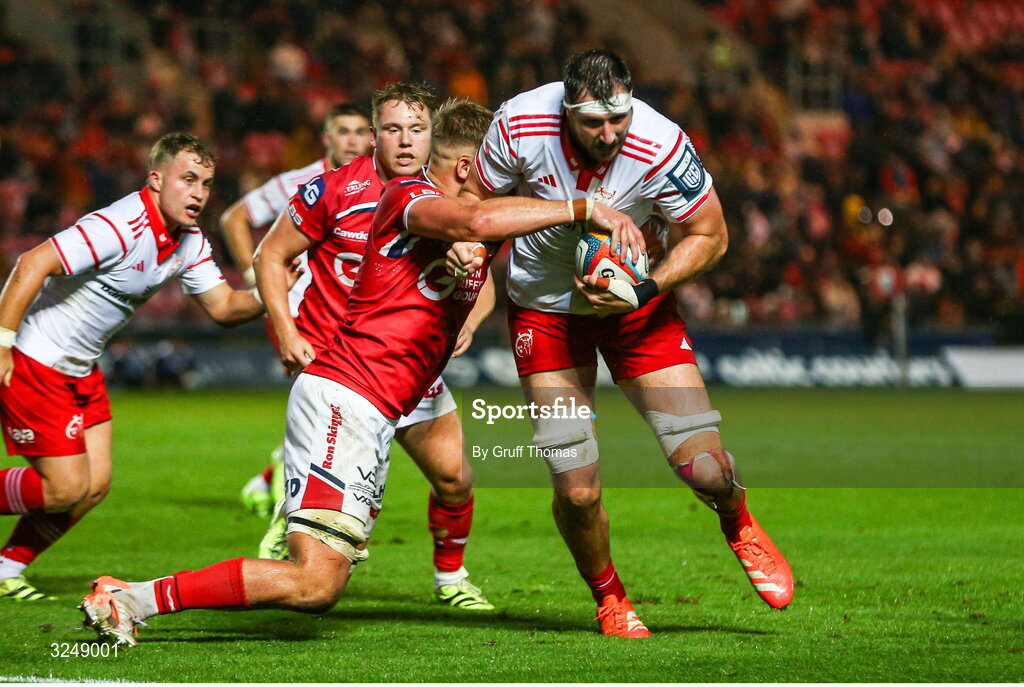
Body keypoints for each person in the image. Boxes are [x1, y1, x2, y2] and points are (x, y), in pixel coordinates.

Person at [77, 98, 641, 647]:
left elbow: (467, 237)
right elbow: (473, 217)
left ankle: (445, 575)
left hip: (375, 405)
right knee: (314, 582)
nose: (509, 182)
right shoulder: (411, 195)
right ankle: (129, 598)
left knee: (354, 556)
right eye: (502, 170)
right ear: (470, 166)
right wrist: (586, 207)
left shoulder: (455, 226)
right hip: (345, 399)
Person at [451, 49, 794, 637]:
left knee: (707, 470)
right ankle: (610, 599)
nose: (609, 134)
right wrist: (482, 246)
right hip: (545, 312)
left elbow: (712, 235)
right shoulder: (518, 124)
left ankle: (736, 520)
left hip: (639, 310)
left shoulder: (661, 142)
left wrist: (647, 286)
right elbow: (469, 209)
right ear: (567, 110)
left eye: (619, 119)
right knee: (578, 489)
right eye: (593, 124)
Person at [0, 133, 286, 601]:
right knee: (64, 489)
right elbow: (32, 263)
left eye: (207, 183)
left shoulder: (188, 241)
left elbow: (223, 307)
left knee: (94, 486)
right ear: (156, 180)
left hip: (81, 369)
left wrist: (272, 288)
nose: (198, 193)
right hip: (36, 357)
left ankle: (6, 568)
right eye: (188, 179)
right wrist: (3, 343)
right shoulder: (118, 225)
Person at [251, 83, 499, 609]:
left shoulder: (445, 198)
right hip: (340, 362)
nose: (405, 141)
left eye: (417, 130)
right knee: (352, 513)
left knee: (454, 477)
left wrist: (469, 319)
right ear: (373, 135)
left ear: (433, 136)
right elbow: (270, 256)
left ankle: (450, 580)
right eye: (392, 130)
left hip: (409, 363)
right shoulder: (334, 191)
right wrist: (288, 331)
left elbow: (481, 273)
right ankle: (299, 531)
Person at [219, 103, 374, 519]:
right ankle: (299, 505)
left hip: (354, 313)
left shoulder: (384, 183)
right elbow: (235, 217)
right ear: (327, 138)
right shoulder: (300, 181)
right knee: (326, 405)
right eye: (343, 131)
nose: (353, 140)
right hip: (300, 312)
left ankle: (272, 482)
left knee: (332, 407)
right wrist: (257, 280)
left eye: (360, 131)